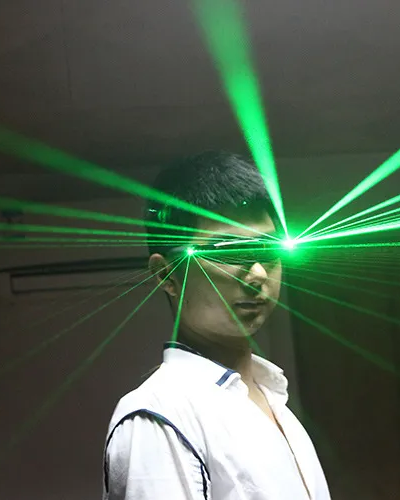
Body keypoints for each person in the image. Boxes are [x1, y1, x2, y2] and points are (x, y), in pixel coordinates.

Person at [102, 151, 331, 499]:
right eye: (226, 251)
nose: (257, 273)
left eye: (268, 248)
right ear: (166, 274)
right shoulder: (159, 416)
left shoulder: (274, 400)